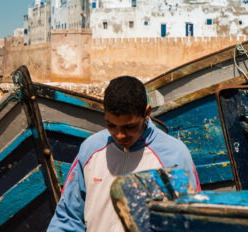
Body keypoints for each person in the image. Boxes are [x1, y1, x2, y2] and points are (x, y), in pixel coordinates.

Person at [47, 75, 200, 232]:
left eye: (129, 127)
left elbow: (191, 221)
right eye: (111, 125)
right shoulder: (90, 150)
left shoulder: (174, 156)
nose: (120, 135)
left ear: (146, 113)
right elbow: (68, 218)